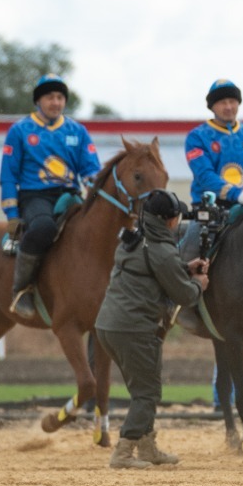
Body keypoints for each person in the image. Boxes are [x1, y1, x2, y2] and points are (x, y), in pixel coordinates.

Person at [95, 189, 208, 469]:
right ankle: (123, 452)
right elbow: (185, 295)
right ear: (168, 221)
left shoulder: (133, 240)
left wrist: (183, 267)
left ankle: (146, 448)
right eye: (177, 217)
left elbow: (152, 267)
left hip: (108, 326)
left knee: (142, 389)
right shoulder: (163, 251)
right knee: (147, 394)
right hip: (135, 330)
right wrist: (198, 284)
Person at [0, 74, 102, 319]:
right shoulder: (20, 130)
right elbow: (8, 175)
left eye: (59, 97)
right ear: (38, 101)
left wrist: (93, 184)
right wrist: (12, 214)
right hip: (35, 196)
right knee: (44, 228)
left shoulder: (78, 131)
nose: (55, 102)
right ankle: (21, 289)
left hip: (70, 195)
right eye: (49, 97)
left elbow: (90, 169)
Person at [184, 79, 243, 206]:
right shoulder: (197, 137)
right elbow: (204, 175)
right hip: (210, 206)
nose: (228, 107)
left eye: (232, 101)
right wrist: (237, 194)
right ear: (212, 107)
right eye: (222, 103)